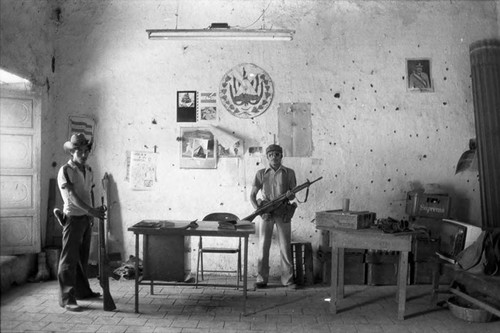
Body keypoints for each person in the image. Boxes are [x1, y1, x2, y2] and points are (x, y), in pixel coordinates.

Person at [53, 133, 106, 311]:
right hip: (73, 218)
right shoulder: (65, 170)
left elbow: (88, 193)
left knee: (82, 258)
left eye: (86, 151)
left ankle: (82, 292)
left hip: (85, 218)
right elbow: (72, 197)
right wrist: (91, 211)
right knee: (69, 259)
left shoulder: (89, 170)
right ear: (72, 153)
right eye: (79, 152)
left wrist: (92, 213)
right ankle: (66, 299)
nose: (83, 155)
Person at [250, 144, 298, 289]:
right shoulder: (260, 173)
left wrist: (290, 195)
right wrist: (259, 211)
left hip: (283, 212)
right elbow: (252, 195)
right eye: (271, 155)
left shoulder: (289, 173)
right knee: (263, 246)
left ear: (281, 156)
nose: (274, 157)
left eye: (277, 154)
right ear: (267, 157)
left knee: (285, 246)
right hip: (266, 213)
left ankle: (288, 280)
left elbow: (293, 195)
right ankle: (261, 279)